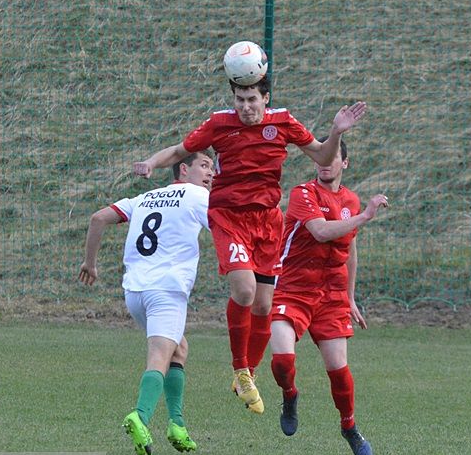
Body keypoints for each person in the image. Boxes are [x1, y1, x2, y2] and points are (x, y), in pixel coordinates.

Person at [133, 75, 367, 415]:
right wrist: (152, 162)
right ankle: (240, 369)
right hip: (229, 216)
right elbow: (180, 151)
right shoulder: (219, 123)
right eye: (240, 99)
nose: (245, 106)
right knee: (243, 290)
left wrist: (337, 132)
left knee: (263, 305)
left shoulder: (283, 122)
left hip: (267, 221)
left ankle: (249, 373)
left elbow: (321, 153)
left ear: (265, 98)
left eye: (251, 99)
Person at [79, 151, 214, 455]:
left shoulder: (144, 197)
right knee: (159, 356)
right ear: (183, 169)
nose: (211, 174)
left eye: (212, 168)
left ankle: (177, 426)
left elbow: (98, 218)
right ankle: (139, 416)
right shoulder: (197, 196)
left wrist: (90, 263)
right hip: (167, 290)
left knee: (179, 348)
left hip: (136, 292)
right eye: (204, 166)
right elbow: (224, 228)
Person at [268, 137, 387, 455]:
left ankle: (349, 427)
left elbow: (349, 248)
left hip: (331, 293)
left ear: (344, 163)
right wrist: (365, 216)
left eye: (333, 157)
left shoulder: (350, 198)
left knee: (339, 369)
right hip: (293, 286)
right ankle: (290, 395)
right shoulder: (302, 193)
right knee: (281, 360)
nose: (325, 161)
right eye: (322, 156)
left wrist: (349, 296)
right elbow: (321, 231)